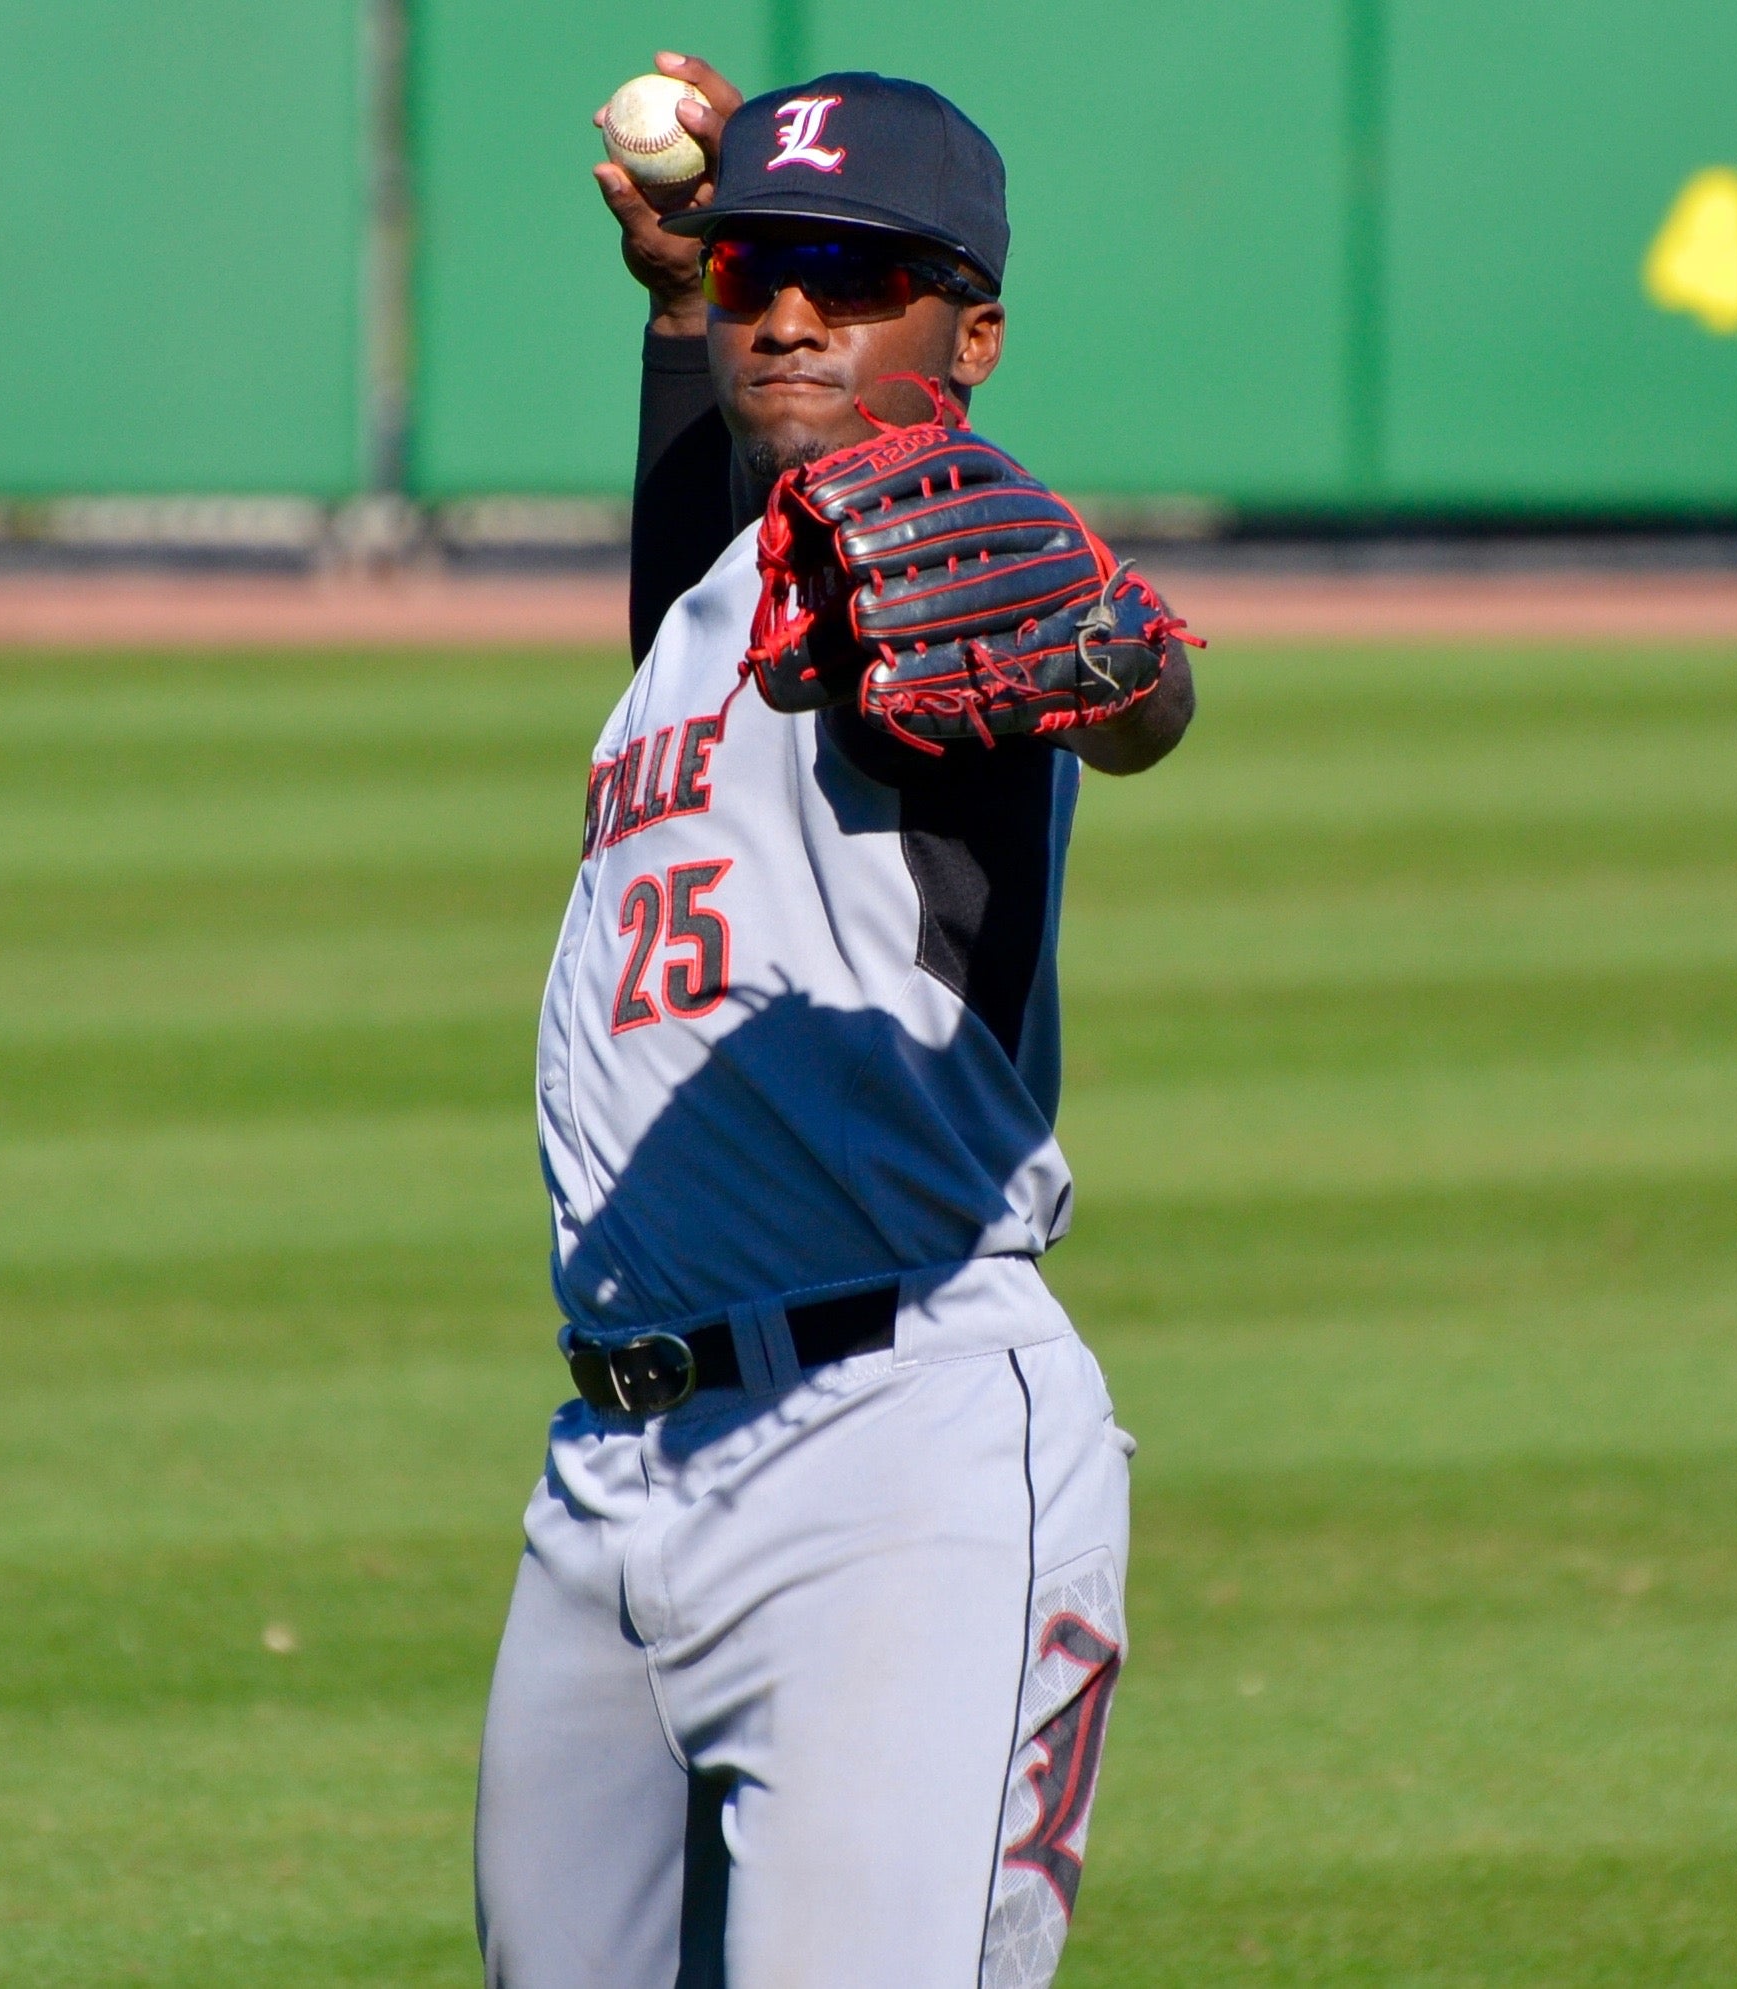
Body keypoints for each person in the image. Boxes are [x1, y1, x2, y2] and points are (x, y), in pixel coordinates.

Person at [473, 57, 1197, 1989]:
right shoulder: (726, 604)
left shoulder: (956, 555)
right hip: (609, 1479)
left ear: (971, 332)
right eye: (758, 267)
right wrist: (661, 303)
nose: (791, 309)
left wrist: (1119, 666)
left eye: (858, 274)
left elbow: (1110, 693)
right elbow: (694, 618)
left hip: (888, 1464)